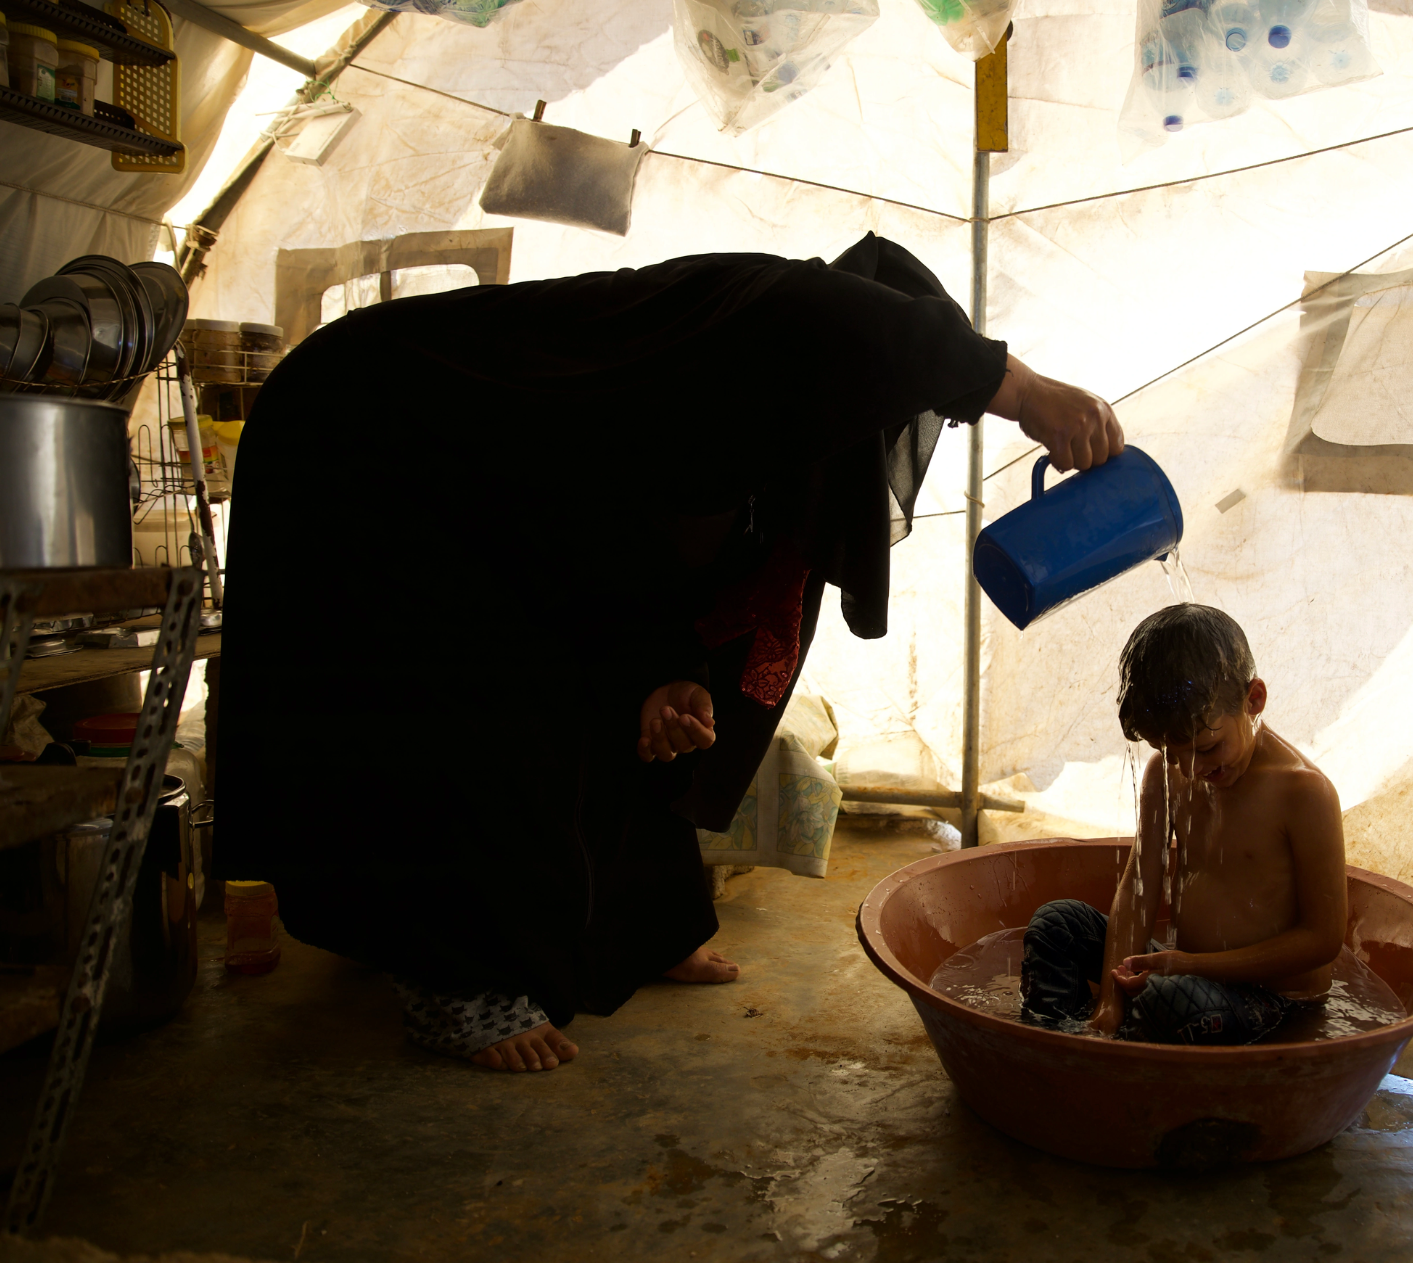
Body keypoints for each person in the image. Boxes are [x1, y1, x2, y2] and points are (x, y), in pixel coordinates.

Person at [215, 234, 1124, 1073]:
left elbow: (614, 540)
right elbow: (827, 316)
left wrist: (661, 670)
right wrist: (1024, 390)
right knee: (475, 698)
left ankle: (638, 929)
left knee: (600, 703)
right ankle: (458, 980)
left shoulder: (731, 410)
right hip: (370, 440)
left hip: (504, 503)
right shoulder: (756, 314)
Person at [1019, 604, 1346, 1045]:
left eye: (1208, 748)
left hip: (1271, 1000)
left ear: (1253, 700)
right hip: (1180, 972)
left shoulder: (1303, 794)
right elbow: (1139, 887)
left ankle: (1137, 1043)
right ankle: (1063, 1044)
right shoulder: (1165, 774)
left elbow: (1322, 939)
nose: (1188, 769)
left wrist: (1188, 966)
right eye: (1170, 750)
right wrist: (1109, 1003)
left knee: (1169, 1002)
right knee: (1056, 925)